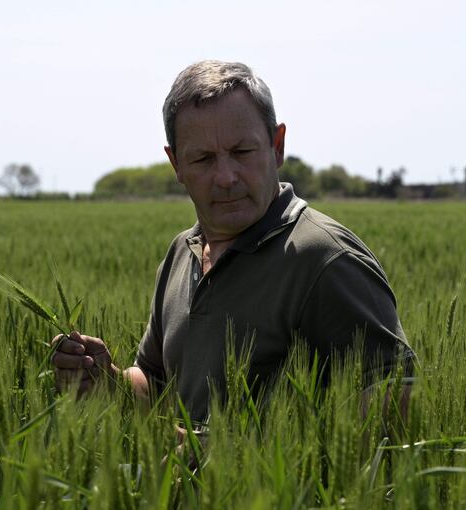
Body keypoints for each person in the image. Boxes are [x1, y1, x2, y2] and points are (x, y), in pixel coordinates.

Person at [52, 60, 415, 425]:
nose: (225, 177)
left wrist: (232, 454)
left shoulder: (325, 259)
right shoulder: (182, 252)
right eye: (203, 159)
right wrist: (108, 381)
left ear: (277, 146)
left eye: (242, 152)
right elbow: (158, 384)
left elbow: (396, 401)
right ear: (176, 164)